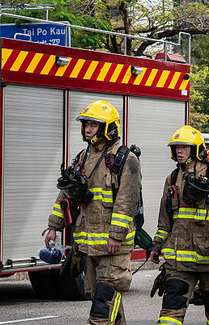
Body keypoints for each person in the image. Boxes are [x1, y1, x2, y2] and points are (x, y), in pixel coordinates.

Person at [44, 100, 141, 324]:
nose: (88, 129)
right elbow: (65, 196)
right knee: (106, 304)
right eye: (86, 124)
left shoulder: (125, 159)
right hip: (89, 245)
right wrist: (53, 227)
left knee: (101, 308)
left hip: (113, 246)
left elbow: (127, 202)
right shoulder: (82, 158)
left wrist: (116, 235)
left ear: (108, 127)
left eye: (94, 125)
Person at [150, 125, 209, 325]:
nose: (179, 151)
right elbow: (165, 221)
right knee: (169, 314)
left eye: (184, 147)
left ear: (196, 149)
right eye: (177, 147)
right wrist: (157, 245)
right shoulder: (172, 179)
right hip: (178, 261)